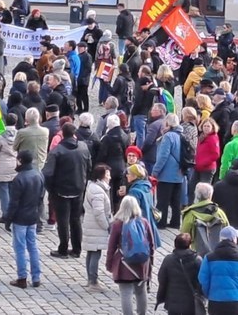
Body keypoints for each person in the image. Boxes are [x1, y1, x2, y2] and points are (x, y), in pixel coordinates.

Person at [44, 123, 91, 258]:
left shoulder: (57, 151)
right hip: (79, 188)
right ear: (74, 134)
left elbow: (48, 173)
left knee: (63, 220)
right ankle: (77, 249)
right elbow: (89, 167)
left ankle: (63, 249)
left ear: (62, 134)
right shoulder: (83, 147)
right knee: (76, 219)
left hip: (61, 190)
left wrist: (51, 189)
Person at [106, 196, 156, 315]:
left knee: (126, 293)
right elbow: (151, 244)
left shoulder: (118, 224)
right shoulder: (144, 222)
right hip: (142, 263)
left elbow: (111, 247)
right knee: (141, 291)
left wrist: (109, 264)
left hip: (124, 263)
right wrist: (150, 263)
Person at [5, 151, 45, 289]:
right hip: (33, 216)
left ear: (20, 160)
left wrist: (8, 219)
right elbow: (41, 197)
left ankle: (22, 277)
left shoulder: (19, 179)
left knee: (20, 248)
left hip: (20, 218)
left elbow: (14, 203)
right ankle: (36, 277)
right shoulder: (38, 174)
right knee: (33, 247)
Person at [198, 225, 238, 315]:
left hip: (215, 301)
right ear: (233, 239)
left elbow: (203, 280)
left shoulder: (209, 258)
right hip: (236, 301)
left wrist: (209, 294)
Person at [156, 233, 204, 315]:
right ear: (189, 245)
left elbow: (162, 279)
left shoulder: (168, 259)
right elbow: (202, 280)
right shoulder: (197, 260)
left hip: (173, 300)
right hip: (191, 302)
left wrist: (161, 296)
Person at [82, 164, 112, 292]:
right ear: (103, 175)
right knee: (95, 252)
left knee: (91, 251)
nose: (110, 176)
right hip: (96, 226)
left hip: (92, 225)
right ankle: (93, 281)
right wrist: (107, 226)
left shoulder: (95, 187)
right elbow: (99, 212)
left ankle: (91, 279)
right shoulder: (98, 191)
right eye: (108, 174)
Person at [152, 113, 184, 229]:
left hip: (167, 174)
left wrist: (155, 171)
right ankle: (176, 222)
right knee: (176, 201)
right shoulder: (181, 135)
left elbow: (163, 156)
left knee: (163, 200)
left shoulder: (168, 136)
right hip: (179, 173)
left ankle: (161, 222)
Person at [124, 164, 162, 248]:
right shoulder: (147, 186)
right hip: (149, 222)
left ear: (135, 176)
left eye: (129, 174)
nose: (127, 176)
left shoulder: (134, 191)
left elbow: (132, 211)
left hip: (139, 225)